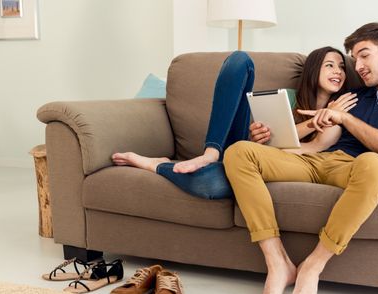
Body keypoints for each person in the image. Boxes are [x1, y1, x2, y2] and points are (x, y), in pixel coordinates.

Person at [222, 22, 378, 294]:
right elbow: (318, 144)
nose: (358, 66)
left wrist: (345, 119)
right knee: (238, 152)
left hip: (358, 168)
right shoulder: (353, 96)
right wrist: (270, 141)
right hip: (319, 160)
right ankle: (277, 263)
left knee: (376, 163)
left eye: (364, 56)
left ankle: (312, 266)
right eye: (355, 58)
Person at [112, 47, 356, 199]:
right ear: (314, 70)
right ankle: (210, 151)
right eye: (330, 65)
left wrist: (320, 119)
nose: (338, 71)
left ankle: (157, 165)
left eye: (342, 67)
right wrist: (258, 135)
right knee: (240, 60)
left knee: (210, 183)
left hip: (260, 165)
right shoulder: (288, 98)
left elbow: (313, 148)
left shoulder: (339, 109)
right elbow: (256, 143)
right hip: (244, 151)